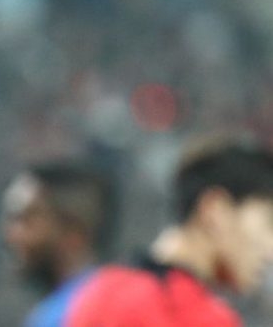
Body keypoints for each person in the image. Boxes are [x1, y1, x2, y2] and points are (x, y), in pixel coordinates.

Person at [65, 136, 273, 326]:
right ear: (215, 210)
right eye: (268, 222)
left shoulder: (100, 290)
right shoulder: (193, 315)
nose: (270, 251)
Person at [2, 163, 114, 327]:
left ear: (74, 233)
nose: (11, 236)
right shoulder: (51, 312)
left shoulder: (87, 313)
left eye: (27, 220)